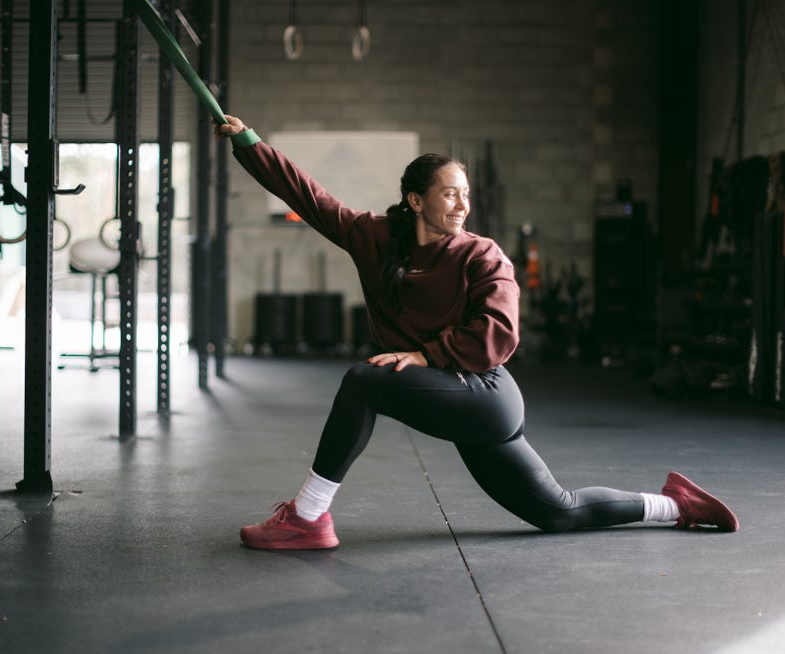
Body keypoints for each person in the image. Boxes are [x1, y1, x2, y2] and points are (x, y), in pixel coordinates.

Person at [215, 116, 740, 550]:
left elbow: (500, 333)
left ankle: (308, 517)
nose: (462, 204)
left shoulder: (481, 253)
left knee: (363, 380)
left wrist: (425, 355)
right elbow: (310, 197)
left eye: (466, 194)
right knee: (558, 511)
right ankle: (676, 504)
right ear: (416, 200)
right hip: (456, 395)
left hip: (485, 393)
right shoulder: (374, 237)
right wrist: (248, 143)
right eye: (449, 194)